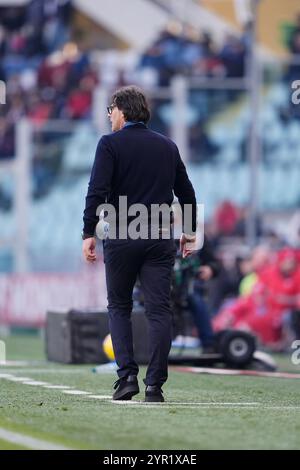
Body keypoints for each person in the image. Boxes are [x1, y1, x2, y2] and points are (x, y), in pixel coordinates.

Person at [82, 85, 197, 402]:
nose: (109, 117)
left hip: (121, 234)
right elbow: (186, 193)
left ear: (121, 109)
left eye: (110, 110)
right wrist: (189, 232)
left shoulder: (109, 145)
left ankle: (127, 377)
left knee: (119, 306)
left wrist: (88, 233)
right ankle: (154, 386)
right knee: (159, 311)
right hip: (159, 237)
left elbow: (96, 190)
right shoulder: (167, 146)